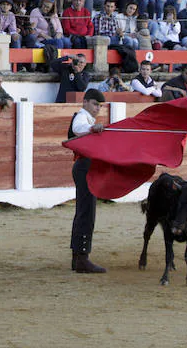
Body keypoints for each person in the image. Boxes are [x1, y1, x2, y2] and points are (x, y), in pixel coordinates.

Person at [68, 87, 107, 274]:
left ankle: (78, 258)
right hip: (84, 167)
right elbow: (78, 128)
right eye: (94, 104)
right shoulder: (82, 117)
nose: (97, 108)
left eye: (99, 106)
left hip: (85, 167)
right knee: (87, 211)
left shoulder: (88, 118)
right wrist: (92, 129)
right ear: (85, 102)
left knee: (83, 211)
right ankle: (82, 257)